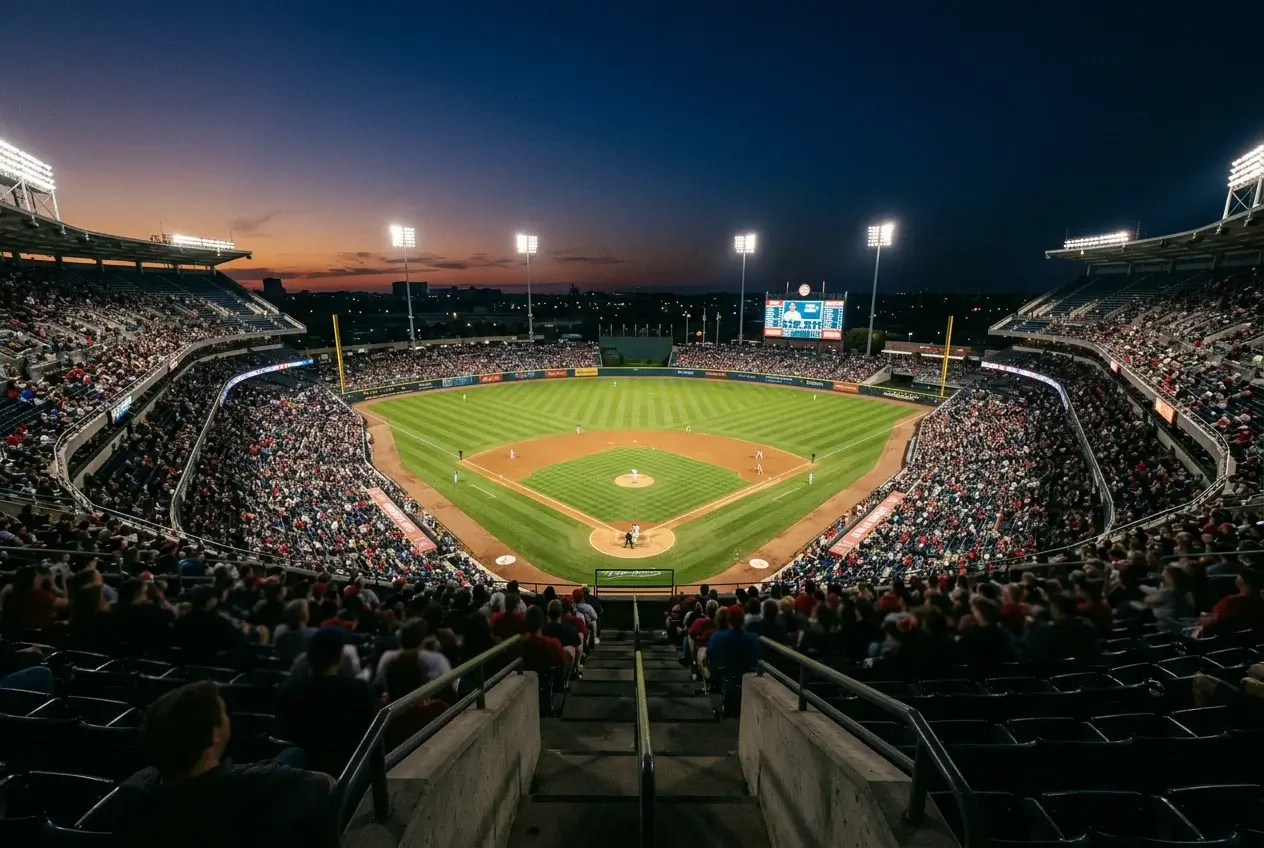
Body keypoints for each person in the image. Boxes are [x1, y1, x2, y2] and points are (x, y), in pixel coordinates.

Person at [111, 681, 338, 848]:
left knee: (293, 754)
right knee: (295, 753)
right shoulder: (253, 786)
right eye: (222, 713)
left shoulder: (134, 792)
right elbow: (329, 786)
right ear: (213, 737)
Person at [276, 628, 377, 776]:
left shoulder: (288, 690)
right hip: (347, 773)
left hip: (298, 773)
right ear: (340, 657)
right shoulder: (358, 691)